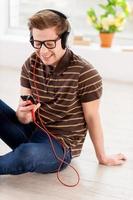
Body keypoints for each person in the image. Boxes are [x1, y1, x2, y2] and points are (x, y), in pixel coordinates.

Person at [0, 9, 126, 176]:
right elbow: (23, 116)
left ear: (65, 39)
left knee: (27, 153)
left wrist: (102, 156)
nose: (43, 51)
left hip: (59, 147)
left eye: (50, 43)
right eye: (37, 43)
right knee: (27, 149)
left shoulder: (85, 73)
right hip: (32, 131)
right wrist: (23, 115)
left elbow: (92, 117)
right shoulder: (31, 64)